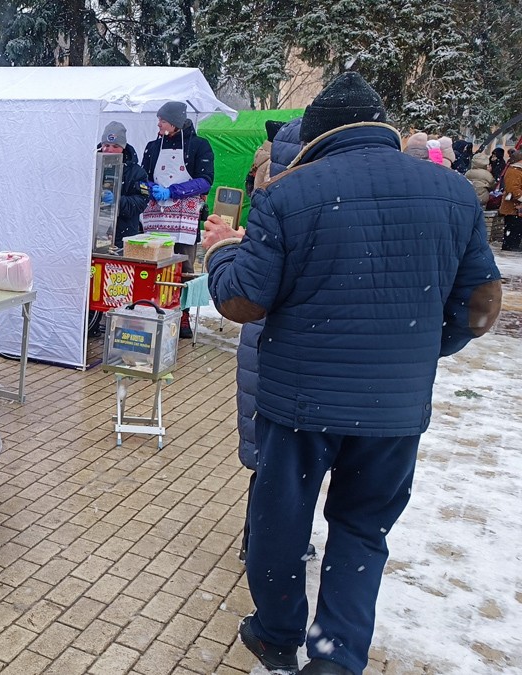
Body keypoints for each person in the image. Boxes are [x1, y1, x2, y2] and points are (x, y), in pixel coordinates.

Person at [203, 72, 501, 675]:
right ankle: (336, 658)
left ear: (316, 136)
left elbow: (243, 302)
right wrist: (412, 352)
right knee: (362, 528)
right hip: (394, 409)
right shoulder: (452, 194)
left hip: (299, 403)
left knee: (280, 523)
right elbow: (481, 306)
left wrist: (222, 251)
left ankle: (277, 633)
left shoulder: (288, 194)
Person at [236, 117, 301, 564]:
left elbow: (245, 290)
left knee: (266, 453)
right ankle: (264, 543)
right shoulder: (294, 201)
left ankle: (255, 539)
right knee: (283, 459)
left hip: (261, 339)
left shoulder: (269, 194)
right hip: (286, 343)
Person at [140, 100, 215, 338]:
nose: (158, 123)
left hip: (185, 219)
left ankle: (183, 316)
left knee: (183, 267)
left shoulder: (199, 146)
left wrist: (174, 191)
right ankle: (151, 308)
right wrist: (151, 188)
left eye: (162, 120)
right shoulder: (153, 146)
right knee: (154, 263)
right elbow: (143, 176)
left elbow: (205, 180)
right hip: (157, 217)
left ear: (174, 122)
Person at [97, 121, 149, 243]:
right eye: (106, 145)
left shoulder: (137, 172)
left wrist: (117, 201)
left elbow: (142, 201)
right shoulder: (92, 167)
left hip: (123, 235)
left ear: (123, 147)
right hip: (95, 231)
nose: (110, 150)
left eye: (115, 146)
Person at [500, 149, 522, 252]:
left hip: (516, 208)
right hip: (513, 208)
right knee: (513, 231)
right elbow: (513, 189)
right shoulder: (514, 171)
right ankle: (510, 248)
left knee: (515, 231)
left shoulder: (517, 171)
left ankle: (512, 246)